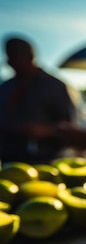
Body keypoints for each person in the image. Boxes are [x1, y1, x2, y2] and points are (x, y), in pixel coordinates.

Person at [0, 36, 76, 164]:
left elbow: (69, 126)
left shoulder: (54, 86)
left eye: (15, 57)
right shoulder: (6, 88)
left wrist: (46, 131)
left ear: (29, 57)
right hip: (9, 158)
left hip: (45, 159)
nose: (10, 62)